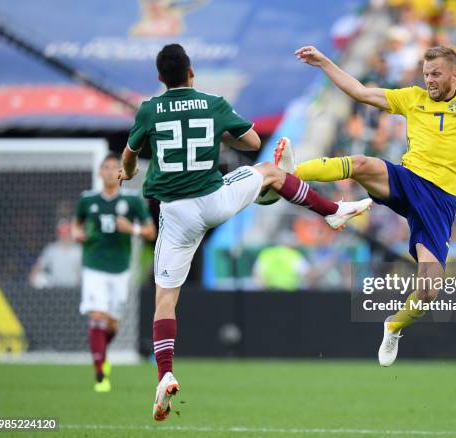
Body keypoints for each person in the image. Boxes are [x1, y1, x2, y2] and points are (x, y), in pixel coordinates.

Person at [117, 44, 371, 421]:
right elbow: (252, 143)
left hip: (176, 214)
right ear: (191, 72)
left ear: (159, 78)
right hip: (214, 200)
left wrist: (130, 171)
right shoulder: (213, 102)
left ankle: (165, 372)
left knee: (166, 300)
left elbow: (129, 154)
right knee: (270, 171)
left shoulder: (149, 109)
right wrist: (219, 135)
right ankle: (331, 212)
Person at [289, 27, 456, 366]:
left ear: (455, 75)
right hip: (408, 179)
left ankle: (394, 326)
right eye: (426, 73)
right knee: (360, 163)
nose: (429, 80)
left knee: (430, 289)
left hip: (441, 201)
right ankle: (291, 173)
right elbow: (360, 92)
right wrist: (326, 62)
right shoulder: (412, 98)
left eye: (436, 74)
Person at [72, 152, 157, 393]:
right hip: (94, 264)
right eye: (106, 168)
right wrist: (78, 233)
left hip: (120, 267)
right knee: (97, 316)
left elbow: (151, 232)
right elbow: (77, 223)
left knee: (112, 324)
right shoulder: (87, 200)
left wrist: (132, 229)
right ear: (100, 173)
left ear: (120, 173)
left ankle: (102, 353)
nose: (110, 172)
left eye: (114, 168)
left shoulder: (131, 201)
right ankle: (100, 373)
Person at [29, 220, 82, 289]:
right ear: (58, 234)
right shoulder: (51, 249)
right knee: (39, 278)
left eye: (67, 232)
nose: (65, 236)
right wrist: (32, 278)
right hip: (54, 287)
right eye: (62, 232)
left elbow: (82, 271)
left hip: (73, 286)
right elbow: (38, 266)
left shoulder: (78, 250)